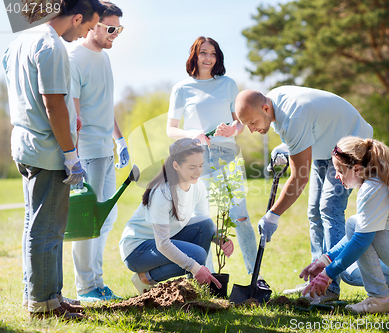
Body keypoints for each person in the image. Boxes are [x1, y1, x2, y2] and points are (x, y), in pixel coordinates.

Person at [2, 0, 104, 320]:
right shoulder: (52, 45)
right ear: (75, 18)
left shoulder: (20, 41)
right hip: (47, 151)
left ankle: (43, 295)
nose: (85, 33)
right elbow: (54, 104)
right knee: (47, 229)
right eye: (87, 27)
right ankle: (45, 305)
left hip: (25, 144)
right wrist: (71, 155)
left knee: (37, 224)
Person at [234, 86, 373, 302]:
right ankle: (315, 280)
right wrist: (286, 146)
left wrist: (273, 214)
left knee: (329, 208)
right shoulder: (274, 101)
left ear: (264, 107)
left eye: (252, 123)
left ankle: (329, 286)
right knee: (314, 211)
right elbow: (304, 130)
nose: (251, 130)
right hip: (326, 143)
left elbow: (299, 177)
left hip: (351, 143)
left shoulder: (292, 118)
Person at [300, 136, 389, 313]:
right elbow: (358, 237)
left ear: (356, 169)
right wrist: (326, 260)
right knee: (348, 272)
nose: (336, 175)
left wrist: (326, 275)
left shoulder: (374, 187)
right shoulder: (375, 182)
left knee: (355, 227)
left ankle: (380, 299)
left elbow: (361, 239)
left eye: (339, 170)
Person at [166, 36, 265, 286]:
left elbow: (239, 121)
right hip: (197, 160)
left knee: (240, 216)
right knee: (205, 219)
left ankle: (256, 277)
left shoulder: (228, 84)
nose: (208, 58)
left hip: (228, 157)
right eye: (203, 53)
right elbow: (171, 129)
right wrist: (193, 134)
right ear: (195, 56)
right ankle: (206, 278)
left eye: (213, 53)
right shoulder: (181, 89)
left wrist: (234, 130)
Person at [68, 0, 128, 302]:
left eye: (120, 29)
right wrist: (73, 159)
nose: (116, 34)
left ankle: (98, 282)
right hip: (86, 153)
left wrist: (120, 140)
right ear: (94, 24)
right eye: (111, 28)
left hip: (105, 150)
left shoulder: (103, 58)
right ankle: (86, 287)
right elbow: (73, 115)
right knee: (86, 222)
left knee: (106, 219)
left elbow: (105, 106)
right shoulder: (75, 58)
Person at [119, 138, 234, 294]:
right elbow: (163, 244)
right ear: (176, 166)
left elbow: (204, 220)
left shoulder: (197, 185)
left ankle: (193, 288)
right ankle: (145, 278)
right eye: (192, 167)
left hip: (161, 241)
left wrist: (219, 237)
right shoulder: (162, 192)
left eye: (200, 166)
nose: (198, 172)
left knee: (206, 225)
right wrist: (195, 267)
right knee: (198, 255)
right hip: (137, 250)